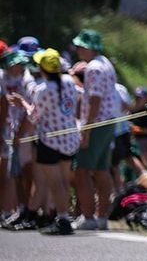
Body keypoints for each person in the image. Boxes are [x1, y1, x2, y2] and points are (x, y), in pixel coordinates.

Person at [9, 49, 80, 235]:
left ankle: (62, 218)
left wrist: (22, 102)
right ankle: (63, 217)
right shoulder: (69, 82)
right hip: (70, 139)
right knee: (64, 180)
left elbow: (34, 117)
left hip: (50, 141)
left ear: (42, 68)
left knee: (54, 181)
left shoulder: (43, 89)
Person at [71, 29, 119, 230]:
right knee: (101, 169)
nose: (78, 49)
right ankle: (101, 217)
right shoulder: (105, 62)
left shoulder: (94, 68)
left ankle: (89, 217)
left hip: (97, 122)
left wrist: (86, 129)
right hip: (108, 121)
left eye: (82, 45)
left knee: (82, 170)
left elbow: (95, 100)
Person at [1, 48, 35, 228]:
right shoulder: (5, 77)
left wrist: (21, 134)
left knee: (28, 172)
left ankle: (30, 209)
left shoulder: (27, 81)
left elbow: (31, 111)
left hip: (28, 132)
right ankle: (21, 209)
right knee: (16, 172)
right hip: (13, 129)